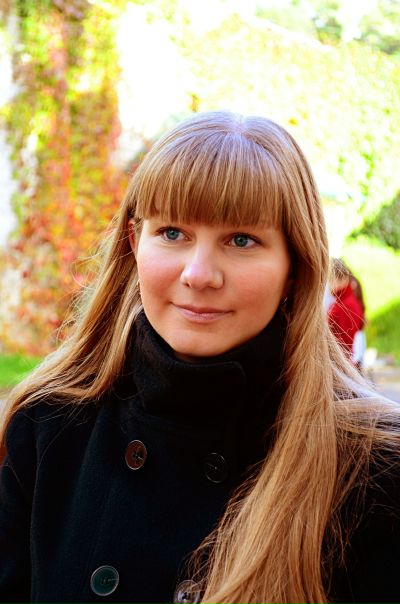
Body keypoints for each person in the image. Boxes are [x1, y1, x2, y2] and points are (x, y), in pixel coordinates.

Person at [0, 111, 399, 604]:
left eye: (241, 240)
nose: (199, 274)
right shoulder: (49, 425)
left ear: (295, 268)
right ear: (134, 243)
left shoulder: (372, 466)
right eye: (172, 233)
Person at [328, 259, 365, 365]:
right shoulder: (343, 301)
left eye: (331, 279)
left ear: (343, 279)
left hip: (338, 364)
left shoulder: (346, 305)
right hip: (339, 362)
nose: (329, 285)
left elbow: (343, 345)